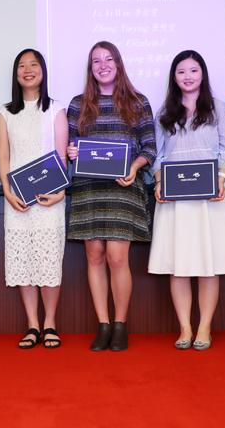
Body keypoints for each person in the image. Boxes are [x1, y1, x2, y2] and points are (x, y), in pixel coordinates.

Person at [66, 41, 156, 351]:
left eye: (108, 59)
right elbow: (70, 145)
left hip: (123, 188)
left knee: (117, 258)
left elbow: (150, 148)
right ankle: (102, 324)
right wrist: (71, 151)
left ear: (118, 64)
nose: (103, 65)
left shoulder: (137, 102)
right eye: (96, 61)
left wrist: (134, 167)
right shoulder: (78, 104)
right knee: (94, 256)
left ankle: (120, 324)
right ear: (90, 68)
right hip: (89, 189)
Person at [148, 50, 225, 351]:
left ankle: (204, 327)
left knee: (208, 265)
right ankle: (185, 327)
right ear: (174, 77)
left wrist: (221, 177)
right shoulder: (164, 112)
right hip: (175, 200)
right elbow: (157, 155)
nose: (188, 76)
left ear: (203, 74)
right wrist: (159, 181)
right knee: (179, 265)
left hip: (210, 197)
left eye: (193, 70)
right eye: (181, 71)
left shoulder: (218, 109)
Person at [0, 49, 68, 349]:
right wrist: (7, 191)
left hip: (50, 199)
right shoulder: (5, 112)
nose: (27, 70)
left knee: (48, 261)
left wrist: (60, 191)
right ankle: (32, 325)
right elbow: (3, 157)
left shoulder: (56, 110)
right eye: (22, 66)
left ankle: (49, 322)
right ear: (16, 74)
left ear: (43, 71)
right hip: (17, 200)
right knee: (23, 262)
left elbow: (62, 157)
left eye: (33, 65)